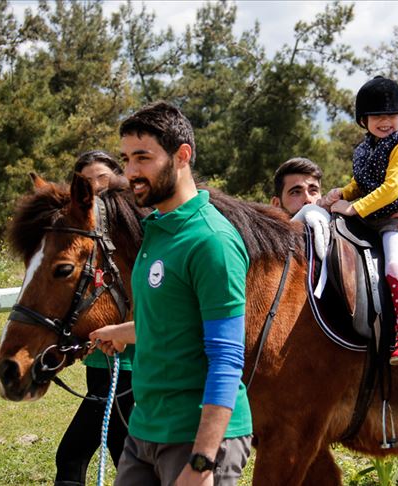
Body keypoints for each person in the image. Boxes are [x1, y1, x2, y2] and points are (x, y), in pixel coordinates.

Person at [90, 101, 253, 486]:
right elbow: (173, 320)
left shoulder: (212, 241)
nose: (130, 172)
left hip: (195, 437)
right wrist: (123, 332)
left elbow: (227, 357)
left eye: (143, 158)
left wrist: (202, 462)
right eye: (126, 159)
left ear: (182, 156)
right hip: (144, 430)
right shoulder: (158, 230)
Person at [319, 75, 398, 365]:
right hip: (373, 215)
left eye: (391, 115)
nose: (385, 122)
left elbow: (392, 188)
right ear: (364, 120)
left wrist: (353, 208)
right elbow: (360, 183)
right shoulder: (364, 149)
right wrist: (340, 194)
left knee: (395, 263)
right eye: (377, 116)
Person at [54, 151, 135, 486]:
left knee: (72, 454)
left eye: (103, 179)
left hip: (128, 365)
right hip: (99, 361)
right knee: (121, 450)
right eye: (87, 183)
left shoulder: (133, 237)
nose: (96, 188)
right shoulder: (90, 243)